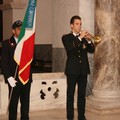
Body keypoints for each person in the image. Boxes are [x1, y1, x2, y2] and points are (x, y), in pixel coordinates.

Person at [62, 15, 95, 120]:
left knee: (82, 96)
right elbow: (70, 49)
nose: (79, 26)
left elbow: (91, 50)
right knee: (70, 96)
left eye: (80, 24)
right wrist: (80, 37)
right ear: (71, 26)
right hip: (72, 71)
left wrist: (89, 40)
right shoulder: (66, 37)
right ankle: (70, 117)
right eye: (77, 24)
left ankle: (81, 116)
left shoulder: (84, 38)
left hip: (83, 70)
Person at [1, 20, 32, 120]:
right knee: (13, 105)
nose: (21, 31)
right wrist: (8, 77)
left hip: (25, 78)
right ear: (13, 31)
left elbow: (32, 59)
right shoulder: (7, 43)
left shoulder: (27, 43)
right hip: (13, 79)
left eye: (22, 29)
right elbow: (4, 63)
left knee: (25, 104)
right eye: (19, 29)